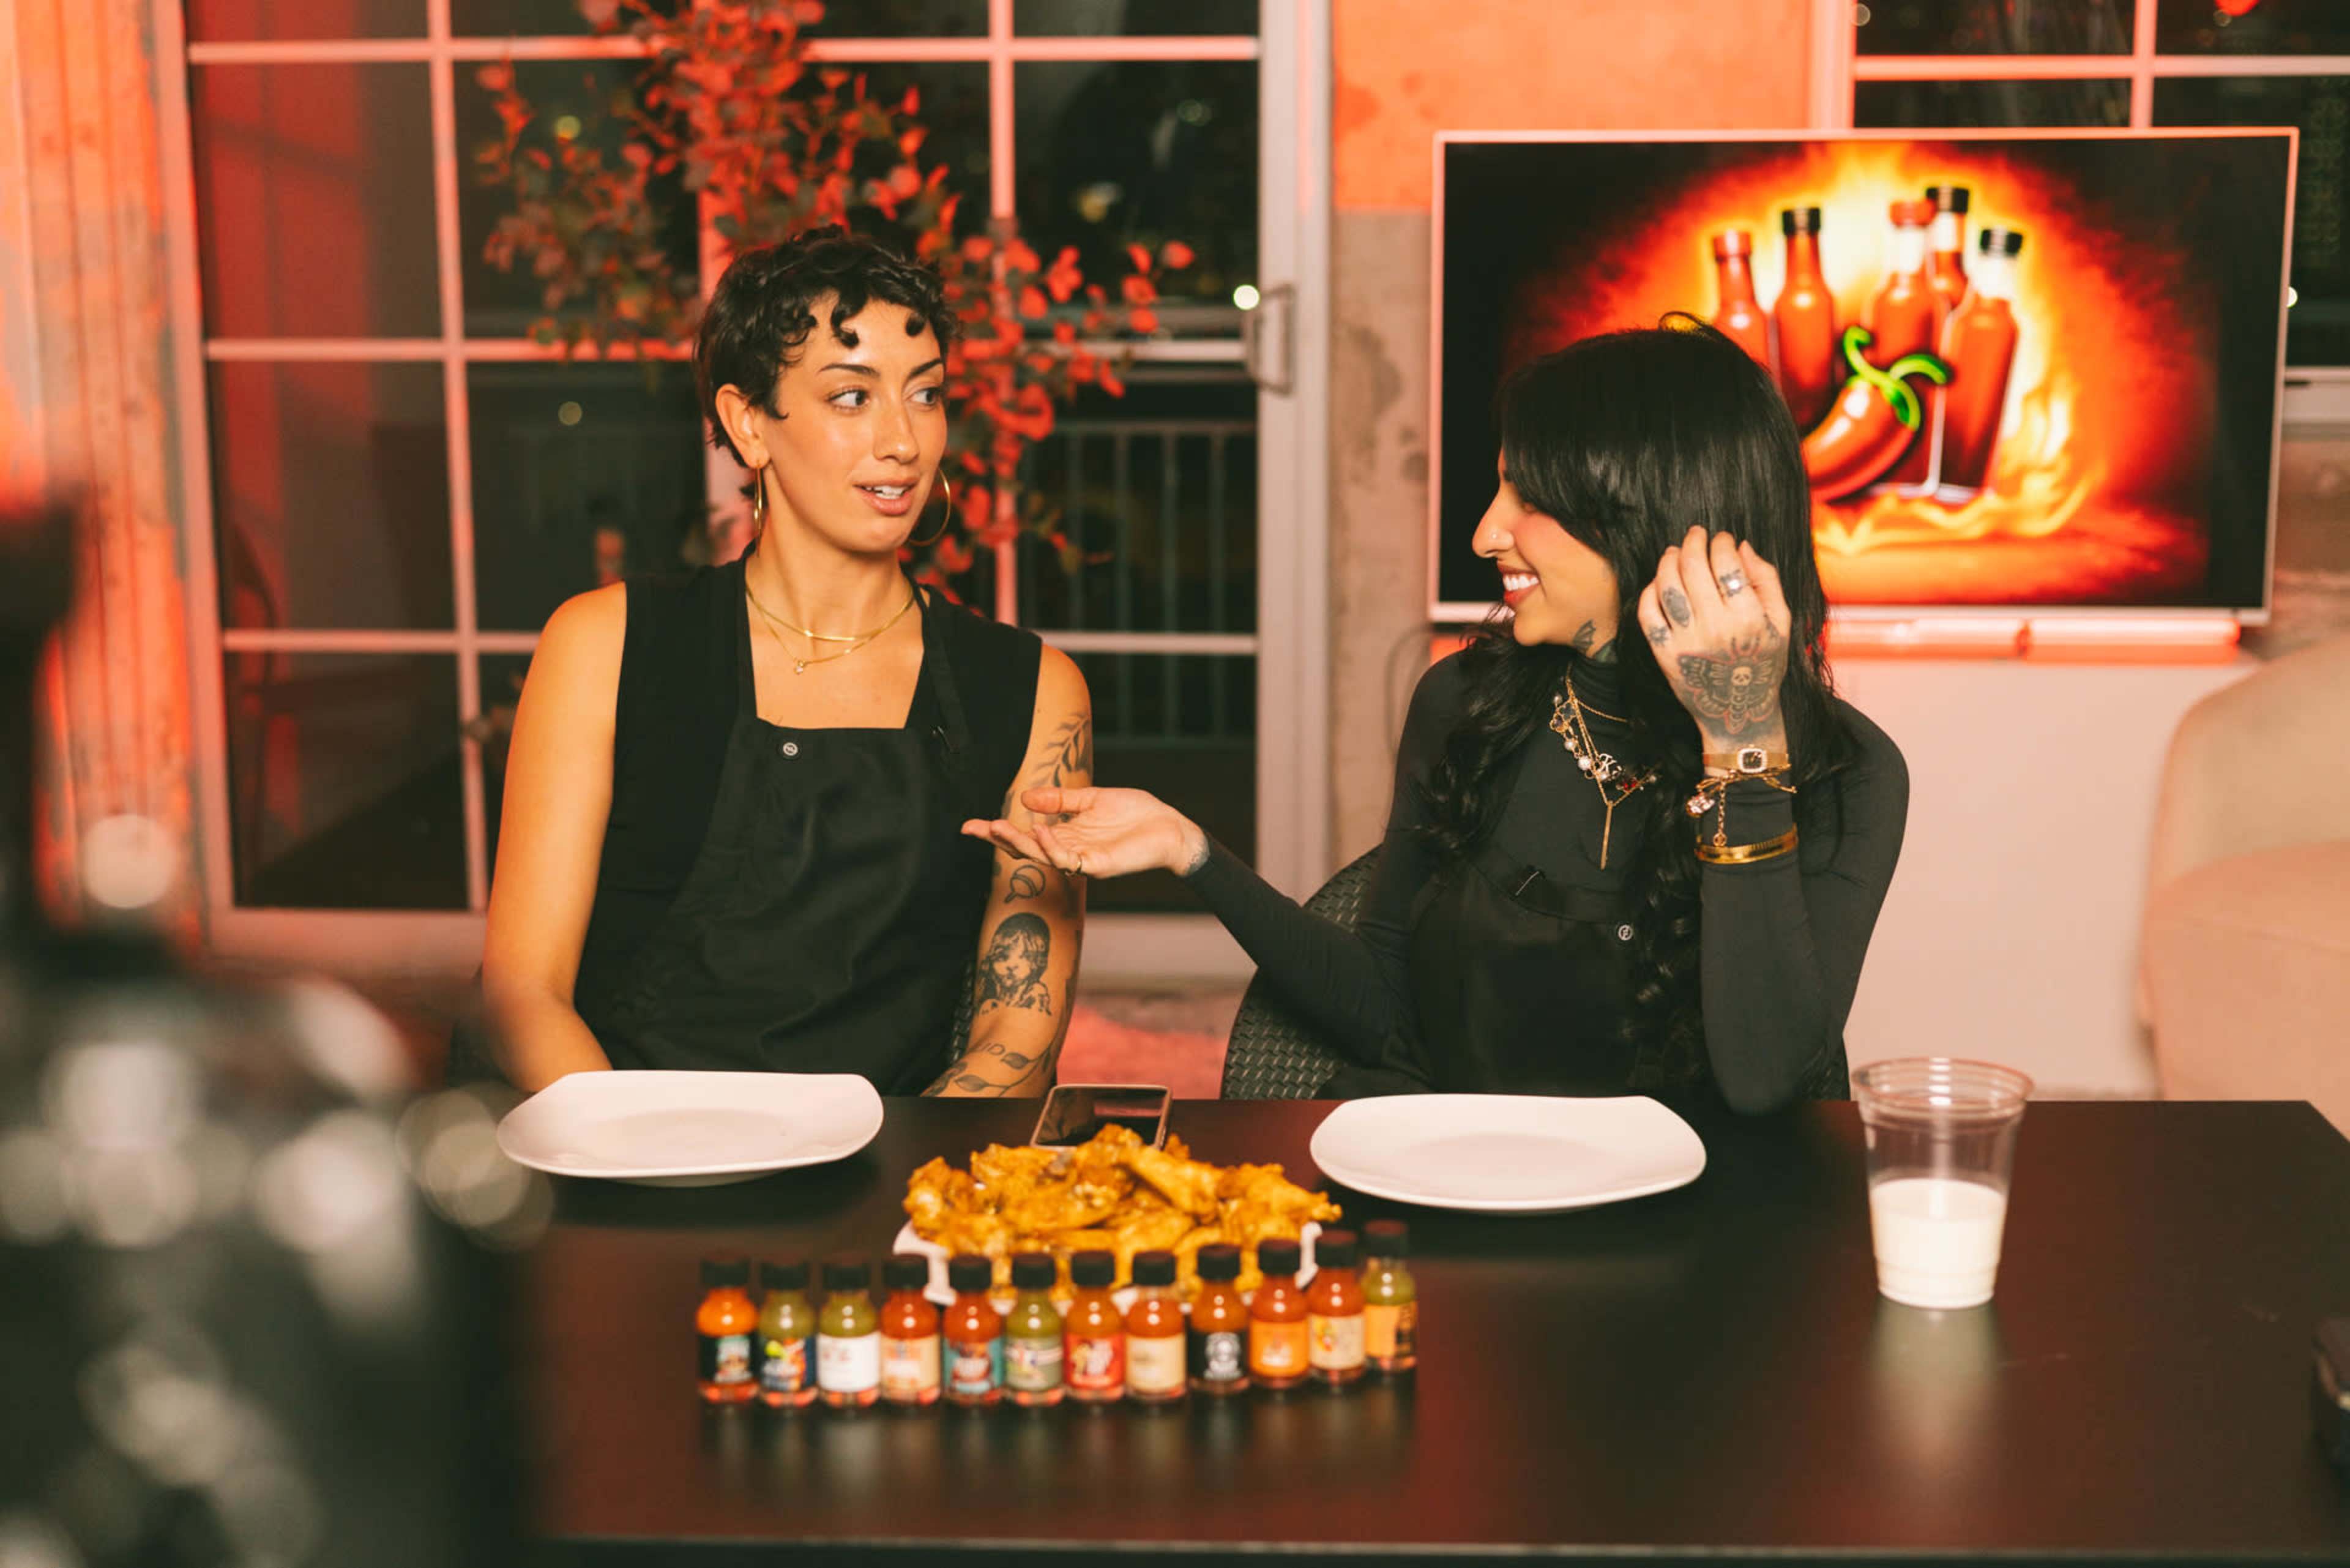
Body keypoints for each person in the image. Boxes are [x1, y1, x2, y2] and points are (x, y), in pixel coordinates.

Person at [967, 320, 1907, 1111]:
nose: (1486, 534)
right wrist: (1193, 852)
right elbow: (1386, 1008)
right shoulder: (1466, 704)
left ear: (1649, 520)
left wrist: (1741, 749)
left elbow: (1768, 1084)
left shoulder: (1848, 773)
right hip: (1457, 1204)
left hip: (1703, 1251)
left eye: (1529, 500)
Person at [482, 228, 1091, 1097]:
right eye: (851, 398)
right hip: (610, 1147)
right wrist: (643, 1164)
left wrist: (902, 1205)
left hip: (880, 1174)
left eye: (925, 395)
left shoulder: (1031, 692)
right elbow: (523, 992)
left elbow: (1015, 1034)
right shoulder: (604, 644)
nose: (904, 442)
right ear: (747, 423)